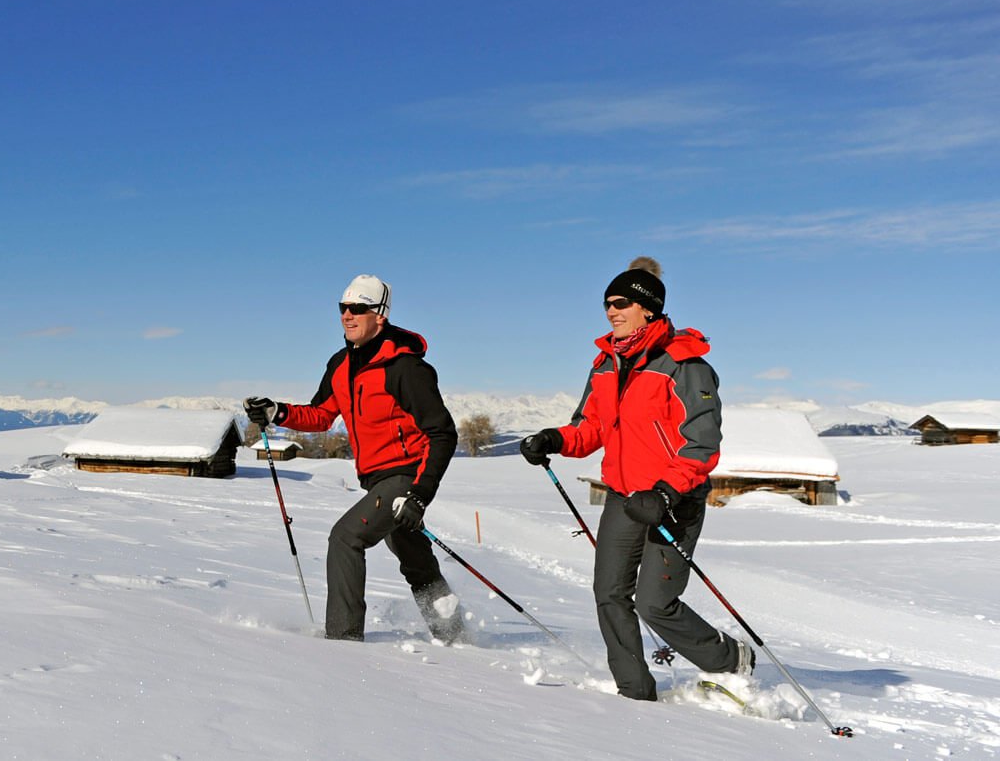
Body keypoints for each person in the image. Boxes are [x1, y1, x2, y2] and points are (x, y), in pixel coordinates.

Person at [517, 257, 752, 701]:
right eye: (607, 303)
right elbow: (590, 428)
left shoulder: (685, 365)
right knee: (609, 594)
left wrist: (665, 491)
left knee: (654, 605)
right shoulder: (606, 364)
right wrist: (552, 438)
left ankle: (729, 660)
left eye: (621, 302)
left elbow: (700, 444)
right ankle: (634, 692)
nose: (611, 311)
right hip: (624, 499)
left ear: (649, 307)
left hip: (673, 501)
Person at [245, 274, 463, 644]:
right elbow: (321, 414)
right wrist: (277, 412)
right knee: (416, 561)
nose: (348, 315)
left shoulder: (405, 368)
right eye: (343, 308)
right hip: (376, 479)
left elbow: (443, 434)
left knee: (346, 538)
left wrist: (419, 494)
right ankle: (456, 635)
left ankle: (343, 641)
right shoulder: (341, 365)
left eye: (358, 308)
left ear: (380, 315)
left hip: (406, 474)